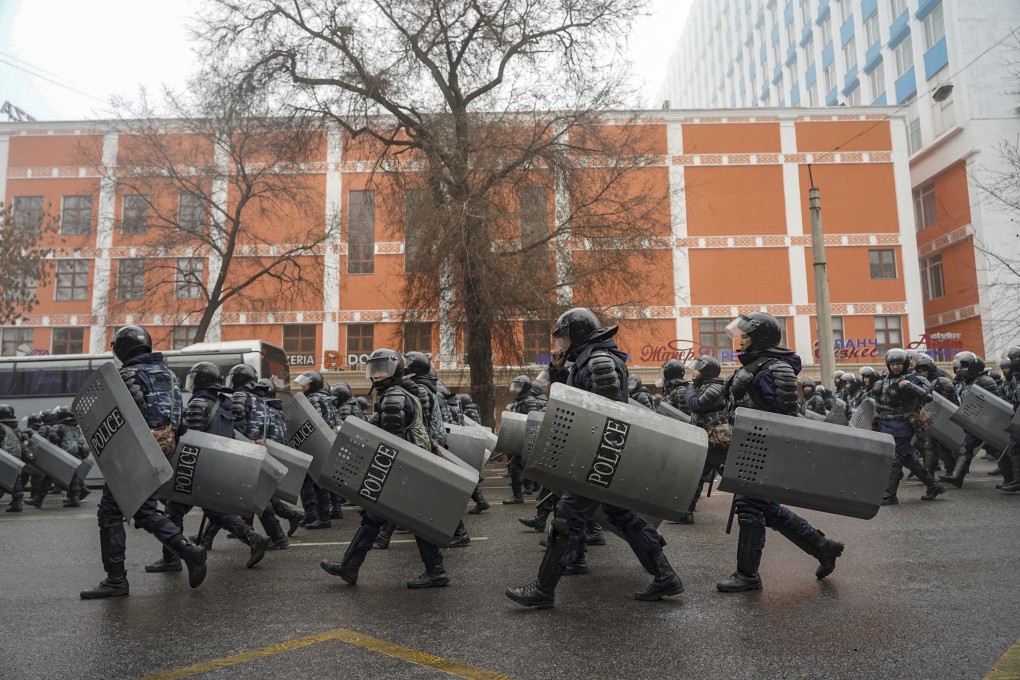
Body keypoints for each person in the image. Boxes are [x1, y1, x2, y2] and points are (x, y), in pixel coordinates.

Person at [506, 308, 684, 608]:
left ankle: (544, 589)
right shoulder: (587, 359)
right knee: (621, 515)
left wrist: (592, 457)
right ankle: (665, 575)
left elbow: (607, 412)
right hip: (600, 455)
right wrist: (559, 372)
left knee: (566, 517)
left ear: (576, 334)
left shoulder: (598, 361)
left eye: (563, 337)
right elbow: (577, 400)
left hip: (598, 456)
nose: (561, 344)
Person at [715, 313, 845, 593]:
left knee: (750, 507)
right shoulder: (756, 364)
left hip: (765, 448)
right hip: (750, 445)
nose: (741, 340)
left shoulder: (776, 368)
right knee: (762, 508)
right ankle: (823, 546)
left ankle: (747, 575)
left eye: (746, 335)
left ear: (760, 337)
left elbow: (785, 417)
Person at [81, 326, 207, 599]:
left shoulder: (128, 375)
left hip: (134, 453)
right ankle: (188, 551)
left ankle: (116, 580)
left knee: (110, 512)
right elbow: (180, 422)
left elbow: (125, 417)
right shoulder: (170, 376)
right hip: (162, 451)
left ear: (121, 348)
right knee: (144, 510)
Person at [321, 349, 451, 589]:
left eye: (382, 369)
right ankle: (350, 567)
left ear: (395, 370)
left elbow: (392, 442)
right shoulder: (399, 393)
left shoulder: (394, 397)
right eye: (374, 369)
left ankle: (436, 571)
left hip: (403, 470)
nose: (376, 375)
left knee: (412, 519)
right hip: (411, 467)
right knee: (374, 517)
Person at [145, 362, 271, 573]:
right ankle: (253, 537)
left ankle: (171, 559)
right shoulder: (224, 404)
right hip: (215, 466)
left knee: (174, 511)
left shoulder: (198, 403)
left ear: (200, 380)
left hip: (194, 466)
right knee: (215, 511)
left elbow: (191, 438)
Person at [871, 349, 945, 505]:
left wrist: (908, 385)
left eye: (899, 363)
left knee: (895, 457)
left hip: (903, 422)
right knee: (907, 458)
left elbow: (928, 396)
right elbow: (879, 398)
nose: (895, 367)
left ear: (905, 364)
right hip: (884, 421)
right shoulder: (885, 377)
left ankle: (890, 495)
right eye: (892, 364)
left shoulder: (914, 377)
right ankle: (934, 485)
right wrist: (875, 413)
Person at [676, 355, 729, 525]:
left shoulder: (714, 387)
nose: (694, 372)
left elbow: (697, 405)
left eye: (697, 370)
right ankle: (685, 512)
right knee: (696, 476)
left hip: (715, 441)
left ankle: (758, 508)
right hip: (706, 440)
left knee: (731, 477)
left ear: (707, 372)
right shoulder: (706, 386)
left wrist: (689, 389)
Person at [940, 352, 1001, 488]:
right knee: (993, 449)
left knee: (968, 447)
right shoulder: (966, 382)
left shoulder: (985, 381)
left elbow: (996, 403)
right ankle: (957, 478)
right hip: (973, 422)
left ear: (974, 367)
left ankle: (957, 477)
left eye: (964, 367)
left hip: (984, 422)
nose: (961, 369)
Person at [256, 378, 305, 536]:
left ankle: (288, 519)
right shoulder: (278, 411)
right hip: (276, 454)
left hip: (266, 455)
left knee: (259, 493)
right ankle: (291, 515)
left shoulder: (264, 411)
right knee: (263, 492)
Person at [294, 370, 340, 529]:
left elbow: (314, 422)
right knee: (316, 481)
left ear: (313, 383)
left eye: (305, 383)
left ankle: (322, 518)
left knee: (315, 483)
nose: (302, 385)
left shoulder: (314, 398)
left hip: (315, 445)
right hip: (326, 443)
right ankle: (313, 515)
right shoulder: (327, 398)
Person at [913, 355, 958, 477]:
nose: (922, 373)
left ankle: (950, 471)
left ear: (930, 370)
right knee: (930, 445)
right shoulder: (923, 382)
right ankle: (929, 475)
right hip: (931, 417)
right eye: (920, 371)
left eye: (924, 371)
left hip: (944, 418)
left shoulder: (942, 381)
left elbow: (949, 402)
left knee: (944, 446)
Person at [996, 346, 1020, 492]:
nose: (1013, 361)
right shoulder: (1014, 378)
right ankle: (1015, 480)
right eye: (1011, 359)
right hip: (1016, 417)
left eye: (1015, 358)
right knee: (1014, 448)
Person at [1, 404, 25, 512]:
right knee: (15, 478)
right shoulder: (17, 428)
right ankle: (17, 502)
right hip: (17, 456)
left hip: (4, 456)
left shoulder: (1, 427)